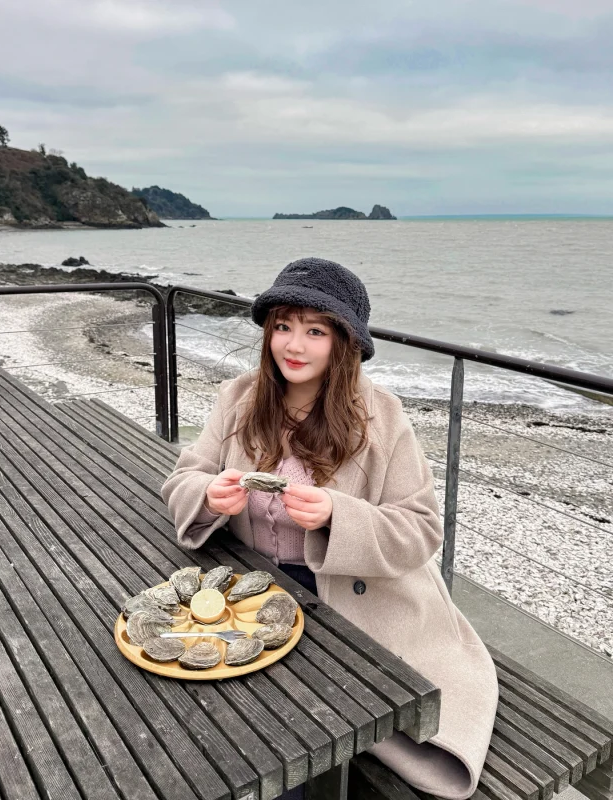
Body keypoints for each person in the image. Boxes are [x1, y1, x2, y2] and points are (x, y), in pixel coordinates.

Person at [162, 257, 498, 800]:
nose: (293, 345)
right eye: (283, 326)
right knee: (210, 719)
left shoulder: (382, 416)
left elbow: (421, 529)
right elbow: (184, 477)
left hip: (350, 602)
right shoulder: (239, 398)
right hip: (251, 593)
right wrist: (208, 495)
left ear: (344, 341)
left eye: (315, 330)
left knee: (302, 729)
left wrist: (338, 517)